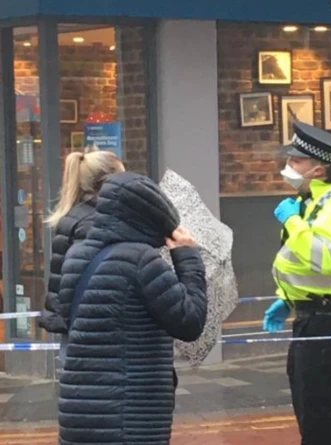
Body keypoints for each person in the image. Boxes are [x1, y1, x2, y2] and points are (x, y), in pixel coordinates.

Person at [56, 171, 208, 445]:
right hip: (129, 414)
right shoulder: (141, 261)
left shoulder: (75, 255)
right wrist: (188, 258)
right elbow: (190, 321)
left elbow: (70, 319)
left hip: (79, 407)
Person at [262, 122, 331, 445]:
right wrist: (288, 298)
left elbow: (323, 259)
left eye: (296, 161)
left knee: (321, 425)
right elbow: (299, 262)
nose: (288, 167)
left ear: (318, 169)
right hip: (314, 318)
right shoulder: (313, 202)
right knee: (312, 422)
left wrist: (292, 222)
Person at [37, 149, 125, 361]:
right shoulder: (96, 223)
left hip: (76, 328)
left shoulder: (74, 216)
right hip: (94, 335)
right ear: (109, 183)